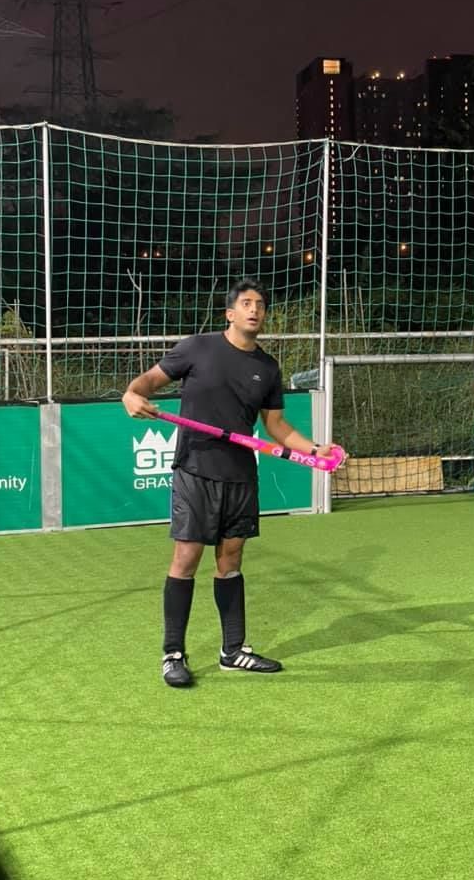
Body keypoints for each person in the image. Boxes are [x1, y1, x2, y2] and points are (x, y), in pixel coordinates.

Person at [122, 278, 342, 687]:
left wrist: (315, 450)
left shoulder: (267, 368)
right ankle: (173, 654)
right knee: (186, 560)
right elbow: (147, 384)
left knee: (231, 562)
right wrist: (131, 395)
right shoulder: (197, 348)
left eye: (260, 304)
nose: (254, 310)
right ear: (230, 313)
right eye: (246, 303)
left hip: (240, 474)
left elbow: (275, 425)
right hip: (195, 469)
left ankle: (233, 651)